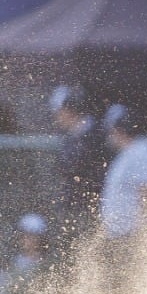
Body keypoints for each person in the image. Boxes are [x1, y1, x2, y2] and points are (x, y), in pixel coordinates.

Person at [97, 103, 147, 294]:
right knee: (119, 288)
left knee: (131, 288)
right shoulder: (129, 153)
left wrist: (143, 233)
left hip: (133, 235)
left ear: (119, 129)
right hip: (122, 235)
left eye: (111, 129)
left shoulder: (140, 152)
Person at [49, 83, 107, 265]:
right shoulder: (72, 135)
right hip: (74, 207)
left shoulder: (94, 135)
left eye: (59, 111)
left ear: (70, 109)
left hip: (90, 208)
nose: (57, 116)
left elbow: (85, 172)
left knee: (90, 256)